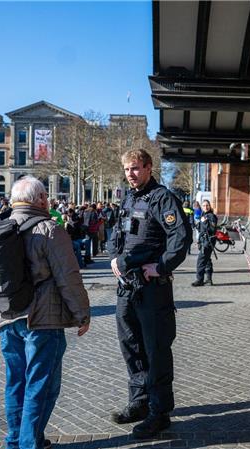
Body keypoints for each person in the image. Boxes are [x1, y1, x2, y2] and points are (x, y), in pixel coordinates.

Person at [0, 176, 90, 449]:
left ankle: (16, 440)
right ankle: (30, 443)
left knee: (15, 381)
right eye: (46, 197)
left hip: (6, 315)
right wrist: (82, 314)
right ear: (40, 199)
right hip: (42, 319)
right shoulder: (50, 229)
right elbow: (69, 277)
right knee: (41, 384)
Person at [108, 149, 192, 439]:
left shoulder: (162, 198)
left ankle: (160, 412)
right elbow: (117, 233)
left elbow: (180, 238)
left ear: (147, 167)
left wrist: (161, 266)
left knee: (156, 350)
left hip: (152, 289)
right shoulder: (129, 197)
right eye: (126, 169)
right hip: (126, 286)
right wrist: (114, 258)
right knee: (130, 345)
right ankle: (139, 402)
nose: (130, 174)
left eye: (134, 168)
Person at [192, 200, 217, 287]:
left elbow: (212, 230)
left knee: (201, 261)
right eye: (204, 205)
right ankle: (209, 279)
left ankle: (199, 280)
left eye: (207, 205)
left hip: (208, 241)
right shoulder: (204, 215)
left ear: (210, 206)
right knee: (207, 260)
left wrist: (205, 222)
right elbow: (201, 230)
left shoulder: (212, 216)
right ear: (201, 207)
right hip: (203, 241)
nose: (205, 207)